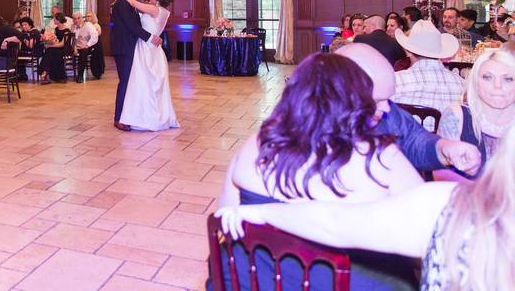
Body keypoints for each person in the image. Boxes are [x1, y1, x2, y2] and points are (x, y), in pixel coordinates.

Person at [214, 123, 515, 291]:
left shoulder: (450, 208)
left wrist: (261, 213)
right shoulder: (453, 208)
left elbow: (334, 223)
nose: (383, 109)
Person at [217, 52, 422, 290]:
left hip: (254, 282)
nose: (385, 108)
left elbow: (224, 222)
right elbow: (429, 234)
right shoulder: (381, 157)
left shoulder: (256, 144)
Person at [336, 44, 482, 176]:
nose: (387, 107)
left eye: (387, 99)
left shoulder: (387, 112)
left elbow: (414, 139)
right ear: (342, 90)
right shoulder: (317, 128)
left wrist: (443, 148)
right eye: (378, 100)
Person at [438, 45, 515, 179]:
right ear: (475, 83)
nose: (498, 85)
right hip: (466, 197)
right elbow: (440, 171)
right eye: (487, 77)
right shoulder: (457, 116)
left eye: (508, 79)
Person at [113, 0, 178, 132]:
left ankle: (148, 117)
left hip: (147, 50)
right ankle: (144, 115)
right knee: (146, 85)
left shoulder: (154, 10)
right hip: (151, 49)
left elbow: (134, 4)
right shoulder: (162, 11)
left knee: (145, 84)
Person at [392, 20, 464, 129]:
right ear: (440, 52)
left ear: (408, 51)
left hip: (406, 144)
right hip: (449, 144)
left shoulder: (395, 81)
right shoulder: (462, 85)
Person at [111, 0, 160, 132]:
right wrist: (151, 38)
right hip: (124, 48)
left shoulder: (128, 3)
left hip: (131, 47)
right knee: (124, 82)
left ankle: (128, 115)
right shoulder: (121, 4)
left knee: (130, 82)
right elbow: (132, 27)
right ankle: (118, 118)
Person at [38, 12, 71, 84]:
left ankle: (44, 73)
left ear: (58, 20)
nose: (53, 20)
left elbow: (62, 44)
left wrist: (50, 46)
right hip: (55, 48)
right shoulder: (56, 28)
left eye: (54, 19)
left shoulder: (67, 31)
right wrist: (48, 41)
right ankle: (46, 73)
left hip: (64, 49)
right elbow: (55, 40)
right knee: (50, 51)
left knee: (50, 50)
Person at [71, 12, 99, 82]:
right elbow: (73, 39)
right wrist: (74, 48)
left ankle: (80, 75)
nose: (76, 20)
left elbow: (95, 36)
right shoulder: (73, 26)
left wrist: (87, 45)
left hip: (87, 46)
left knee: (83, 53)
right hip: (76, 47)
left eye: (78, 18)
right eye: (74, 19)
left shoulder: (88, 25)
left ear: (82, 18)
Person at [85, 11, 105, 78]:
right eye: (86, 16)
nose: (87, 18)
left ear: (93, 17)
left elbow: (97, 36)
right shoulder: (86, 25)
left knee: (96, 53)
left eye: (89, 16)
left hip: (96, 44)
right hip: (88, 43)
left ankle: (97, 72)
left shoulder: (96, 25)